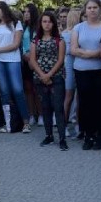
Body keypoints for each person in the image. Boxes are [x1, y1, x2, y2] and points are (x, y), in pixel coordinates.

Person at [70, 0, 101, 150]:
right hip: (82, 71)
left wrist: (86, 53)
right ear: (85, 10)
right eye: (89, 8)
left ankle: (100, 136)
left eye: (95, 7)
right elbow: (73, 49)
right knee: (85, 104)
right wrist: (95, 53)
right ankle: (88, 135)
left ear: (100, 9)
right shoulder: (78, 28)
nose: (92, 10)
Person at [0, 1, 30, 133]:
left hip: (13, 60)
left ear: (4, 10)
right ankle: (8, 124)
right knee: (4, 92)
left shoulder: (16, 24)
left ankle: (26, 123)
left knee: (18, 90)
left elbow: (16, 45)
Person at [28, 10, 67, 150]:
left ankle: (62, 138)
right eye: (44, 21)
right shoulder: (35, 40)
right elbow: (33, 59)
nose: (47, 24)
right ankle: (49, 135)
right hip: (40, 78)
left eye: (49, 21)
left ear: (53, 23)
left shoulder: (60, 40)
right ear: (40, 23)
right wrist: (42, 75)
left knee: (58, 108)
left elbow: (61, 59)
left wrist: (49, 74)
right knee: (45, 108)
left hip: (56, 77)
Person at [61, 8, 81, 138]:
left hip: (73, 64)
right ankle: (67, 125)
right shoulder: (68, 33)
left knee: (74, 98)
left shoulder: (66, 33)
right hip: (70, 65)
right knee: (70, 97)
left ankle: (73, 124)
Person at [20, 3, 41, 127]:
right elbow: (21, 43)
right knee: (28, 89)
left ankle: (42, 114)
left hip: (36, 60)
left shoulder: (38, 27)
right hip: (26, 60)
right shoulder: (23, 27)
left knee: (37, 89)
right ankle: (32, 114)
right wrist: (24, 55)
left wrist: (33, 57)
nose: (26, 14)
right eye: (24, 12)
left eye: (28, 12)